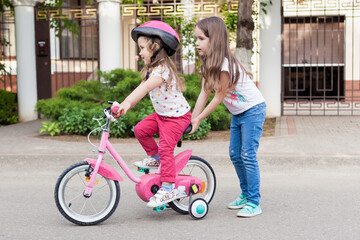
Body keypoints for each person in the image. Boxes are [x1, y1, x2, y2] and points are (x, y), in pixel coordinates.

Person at [190, 17, 266, 218]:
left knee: (248, 155)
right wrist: (192, 118)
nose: (196, 43)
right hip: (239, 113)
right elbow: (204, 94)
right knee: (235, 154)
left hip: (253, 110)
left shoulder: (224, 65)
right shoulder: (208, 65)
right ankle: (245, 193)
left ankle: (253, 201)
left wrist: (199, 120)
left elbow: (218, 97)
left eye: (201, 38)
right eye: (195, 38)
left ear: (213, 40)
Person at [111, 20, 191, 208]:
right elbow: (142, 86)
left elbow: (145, 88)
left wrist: (127, 105)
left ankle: (169, 187)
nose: (139, 52)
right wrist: (124, 103)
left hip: (177, 118)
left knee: (166, 149)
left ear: (155, 47)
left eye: (142, 48)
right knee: (140, 129)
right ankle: (156, 160)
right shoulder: (153, 69)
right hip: (163, 116)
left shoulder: (162, 69)